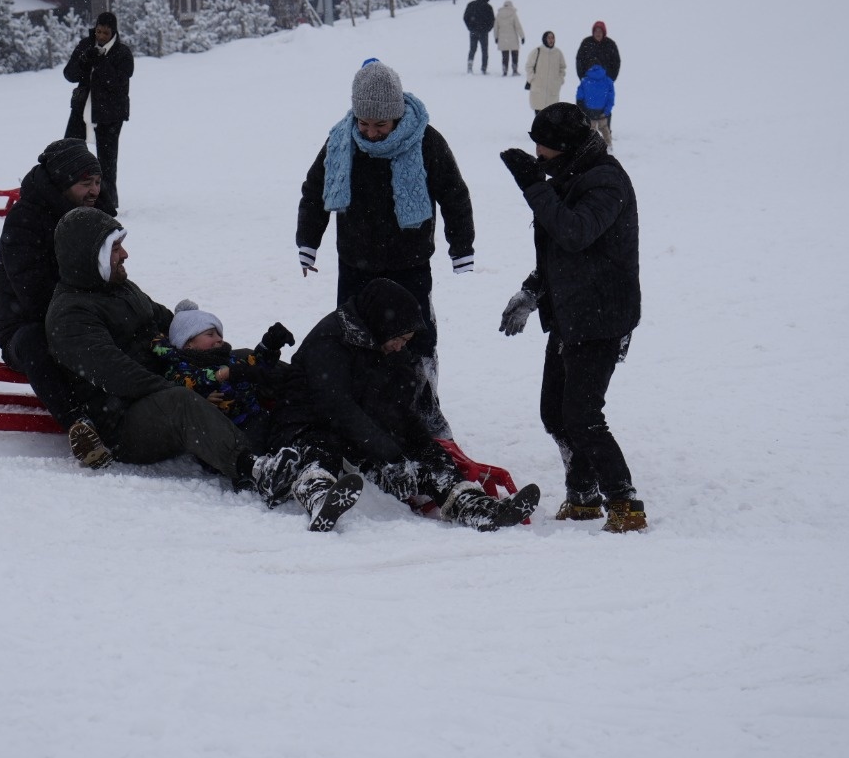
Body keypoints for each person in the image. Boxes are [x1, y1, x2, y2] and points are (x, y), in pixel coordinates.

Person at [46, 207, 364, 531]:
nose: (124, 254)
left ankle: (325, 412)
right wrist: (194, 386)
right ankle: (256, 469)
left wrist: (213, 360)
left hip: (167, 378)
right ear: (90, 256)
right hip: (124, 420)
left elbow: (168, 322)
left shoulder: (120, 288)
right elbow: (119, 376)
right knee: (182, 403)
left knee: (245, 361)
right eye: (114, 248)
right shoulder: (71, 315)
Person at [266, 279, 540, 531]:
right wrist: (390, 455)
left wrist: (420, 449)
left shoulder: (386, 345)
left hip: (360, 430)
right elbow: (336, 407)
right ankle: (318, 496)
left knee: (427, 454)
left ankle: (473, 504)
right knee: (319, 451)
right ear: (384, 325)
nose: (401, 346)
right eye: (399, 338)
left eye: (406, 341)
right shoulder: (330, 340)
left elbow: (400, 409)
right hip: (307, 424)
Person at [296, 59, 475, 438]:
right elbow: (314, 191)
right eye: (364, 123)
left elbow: (454, 195)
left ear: (396, 116)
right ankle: (360, 408)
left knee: (415, 338)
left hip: (408, 263)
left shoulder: (426, 141)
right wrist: (308, 242)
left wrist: (461, 246)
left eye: (380, 125)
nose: (371, 133)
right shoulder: (341, 141)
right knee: (355, 336)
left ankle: (423, 407)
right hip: (357, 263)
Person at [498, 104, 646, 533]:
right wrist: (532, 292)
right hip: (571, 313)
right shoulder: (567, 177)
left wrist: (532, 185)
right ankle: (583, 495)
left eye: (541, 147)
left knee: (582, 414)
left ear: (563, 147)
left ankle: (624, 501)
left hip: (602, 316)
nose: (536, 155)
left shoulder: (606, 181)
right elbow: (557, 252)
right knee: (555, 413)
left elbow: (575, 233)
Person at [0, 138, 113, 468]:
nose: (93, 190)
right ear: (62, 181)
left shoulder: (93, 214)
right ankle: (78, 424)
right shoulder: (25, 221)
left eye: (98, 182)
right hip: (26, 324)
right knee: (37, 342)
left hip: (82, 316)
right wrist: (83, 322)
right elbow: (34, 293)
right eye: (85, 183)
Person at [153, 299, 295, 449]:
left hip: (255, 417)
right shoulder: (179, 369)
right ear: (188, 342)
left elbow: (250, 366)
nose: (219, 339)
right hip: (225, 436)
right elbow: (186, 390)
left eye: (219, 334)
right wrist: (205, 397)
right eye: (210, 334)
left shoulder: (225, 358)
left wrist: (269, 345)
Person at [64, 11, 134, 215]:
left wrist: (101, 63)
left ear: (113, 32)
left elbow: (118, 83)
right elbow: (69, 74)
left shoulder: (122, 53)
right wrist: (85, 60)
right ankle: (70, 196)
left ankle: (108, 203)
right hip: (82, 108)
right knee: (70, 152)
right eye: (98, 31)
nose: (101, 36)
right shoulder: (85, 45)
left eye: (105, 32)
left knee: (106, 161)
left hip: (110, 113)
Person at [575, 64, 615, 149]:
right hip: (602, 111)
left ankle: (590, 148)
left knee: (591, 130)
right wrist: (606, 111)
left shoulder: (585, 80)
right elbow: (610, 98)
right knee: (604, 128)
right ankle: (609, 146)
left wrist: (583, 110)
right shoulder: (608, 81)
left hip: (589, 111)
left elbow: (579, 97)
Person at [526, 31, 567, 113]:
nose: (551, 40)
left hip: (552, 91)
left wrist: (559, 80)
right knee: (539, 120)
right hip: (538, 90)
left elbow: (562, 67)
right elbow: (529, 66)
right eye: (549, 38)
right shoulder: (537, 51)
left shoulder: (558, 53)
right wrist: (532, 79)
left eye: (552, 38)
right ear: (544, 39)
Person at [462, 0, 494, 74]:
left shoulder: (471, 5)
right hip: (484, 32)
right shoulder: (488, 7)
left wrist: (470, 27)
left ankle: (470, 66)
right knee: (484, 51)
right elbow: (492, 20)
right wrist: (487, 29)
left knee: (472, 49)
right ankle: (484, 68)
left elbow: (465, 17)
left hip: (473, 31)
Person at [494, 0, 525, 77]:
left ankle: (504, 70)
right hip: (513, 38)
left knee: (505, 55)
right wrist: (522, 36)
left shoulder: (498, 14)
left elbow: (496, 27)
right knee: (515, 54)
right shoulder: (513, 14)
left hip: (502, 38)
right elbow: (518, 26)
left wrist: (496, 37)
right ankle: (514, 70)